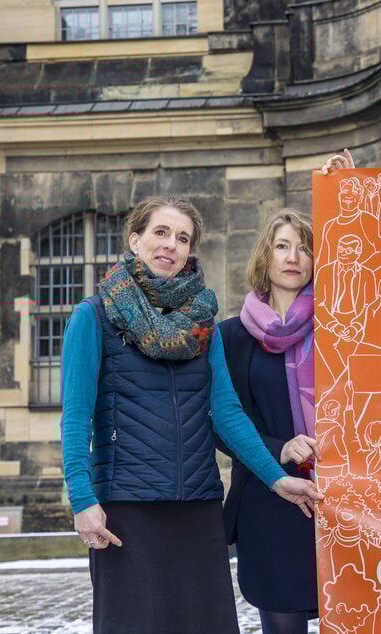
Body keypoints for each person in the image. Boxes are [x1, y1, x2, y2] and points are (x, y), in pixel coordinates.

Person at [60, 197, 321, 634]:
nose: (171, 245)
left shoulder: (202, 324)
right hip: (128, 506)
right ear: (134, 239)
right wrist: (83, 500)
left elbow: (228, 415)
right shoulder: (94, 316)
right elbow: (75, 418)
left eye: (182, 238)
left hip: (198, 505)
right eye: (161, 233)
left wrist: (276, 478)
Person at [219, 209, 321, 634]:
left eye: (303, 248)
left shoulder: (345, 326)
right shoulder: (232, 337)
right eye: (282, 246)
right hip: (271, 498)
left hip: (344, 494)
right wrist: (279, 445)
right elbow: (222, 421)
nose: (293, 257)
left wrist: (350, 187)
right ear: (265, 256)